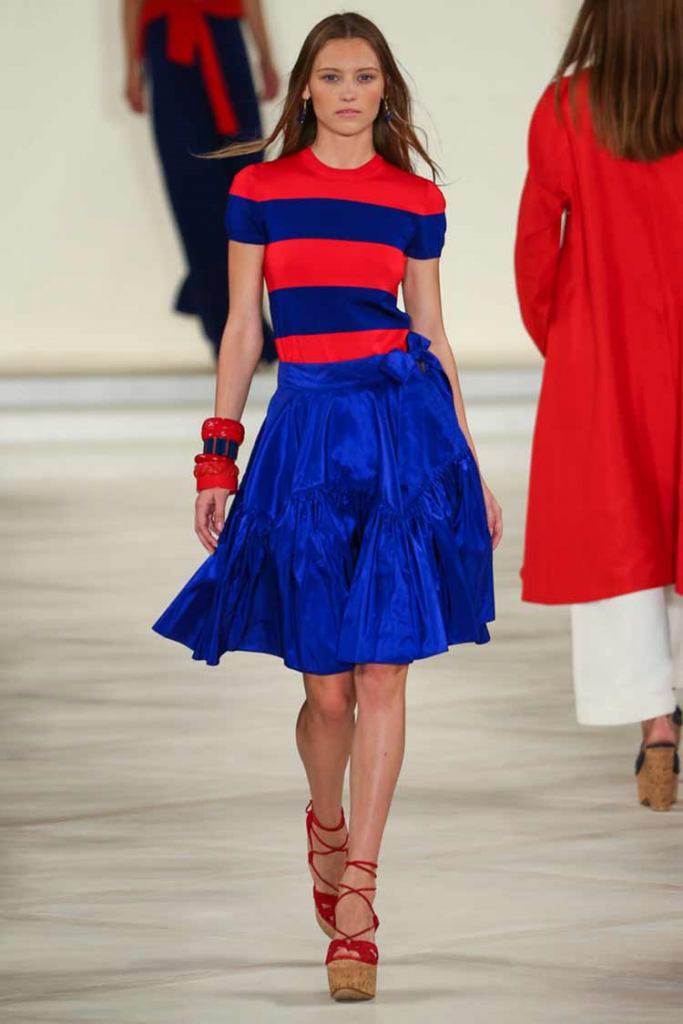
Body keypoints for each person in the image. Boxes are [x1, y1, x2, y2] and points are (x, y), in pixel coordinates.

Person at [151, 11, 501, 1001]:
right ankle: (325, 815)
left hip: (398, 439)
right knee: (327, 691)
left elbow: (429, 334)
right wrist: (214, 459)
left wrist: (467, 466)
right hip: (304, 442)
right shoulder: (259, 189)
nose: (348, 92)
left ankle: (359, 898)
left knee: (383, 671)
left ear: (383, 89)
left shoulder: (413, 199)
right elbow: (239, 332)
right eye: (331, 76)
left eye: (364, 76)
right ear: (303, 88)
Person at [514, 0, 683, 811]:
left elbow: (534, 245)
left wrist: (568, 343)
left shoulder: (566, 108)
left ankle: (655, 730)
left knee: (623, 544)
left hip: (606, 352)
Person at [122, 0, 279, 362]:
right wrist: (132, 66)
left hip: (225, 38)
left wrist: (265, 56)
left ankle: (206, 296)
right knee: (192, 187)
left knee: (246, 188)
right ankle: (225, 326)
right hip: (170, 47)